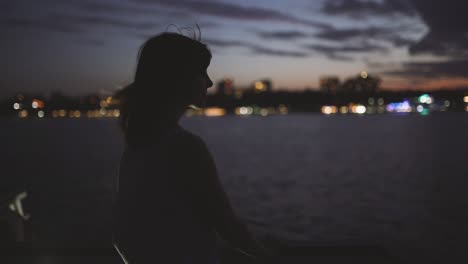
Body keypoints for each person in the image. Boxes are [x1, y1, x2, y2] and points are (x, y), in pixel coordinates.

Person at [112, 31, 270, 263]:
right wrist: (265, 254)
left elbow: (124, 233)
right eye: (201, 72)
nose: (209, 82)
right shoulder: (183, 147)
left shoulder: (137, 145)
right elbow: (227, 225)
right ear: (180, 77)